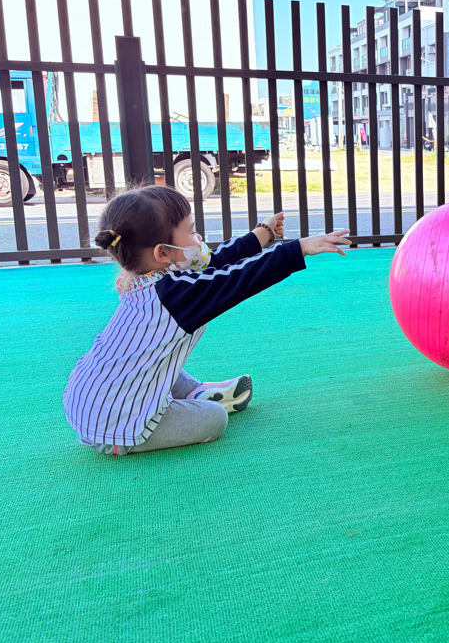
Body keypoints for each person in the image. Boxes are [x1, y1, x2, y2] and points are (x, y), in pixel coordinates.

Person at [63, 185, 351, 456]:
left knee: (157, 361)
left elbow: (215, 264)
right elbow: (238, 279)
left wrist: (262, 233)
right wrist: (299, 248)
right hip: (114, 424)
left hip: (90, 393)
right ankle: (184, 407)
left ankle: (195, 392)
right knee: (215, 419)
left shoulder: (142, 279)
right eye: (191, 231)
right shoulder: (176, 295)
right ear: (162, 252)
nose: (198, 237)